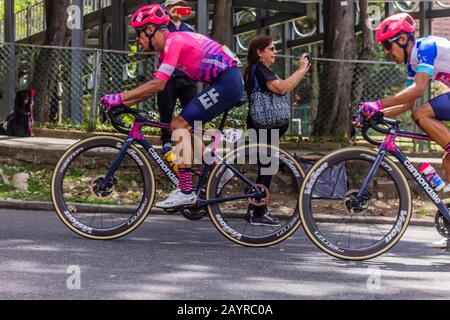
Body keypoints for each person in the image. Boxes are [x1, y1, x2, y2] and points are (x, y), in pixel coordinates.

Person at [100, 4, 243, 208]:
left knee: (178, 125)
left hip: (228, 82)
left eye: (139, 34)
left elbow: (157, 85)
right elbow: (157, 87)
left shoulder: (174, 42)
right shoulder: (164, 51)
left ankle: (185, 191)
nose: (137, 40)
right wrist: (120, 103)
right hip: (224, 81)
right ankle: (218, 169)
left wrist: (118, 98)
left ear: (150, 30)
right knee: (186, 127)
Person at [359, 13, 450, 248]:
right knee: (447, 161)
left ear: (401, 39)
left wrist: (378, 104)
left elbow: (418, 91)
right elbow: (406, 102)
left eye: (387, 46)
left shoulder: (427, 46)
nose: (387, 52)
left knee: (421, 114)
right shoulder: (413, 61)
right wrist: (376, 115)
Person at [244, 35, 311, 226]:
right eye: (271, 49)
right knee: (267, 167)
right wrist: (302, 69)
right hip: (264, 124)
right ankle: (257, 212)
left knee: (267, 167)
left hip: (262, 124)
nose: (275, 53)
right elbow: (282, 88)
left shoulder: (257, 70)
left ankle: (256, 209)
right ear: (259, 52)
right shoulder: (260, 69)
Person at [158, 0, 197, 152]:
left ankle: (191, 142)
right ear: (167, 8)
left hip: (187, 76)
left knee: (193, 110)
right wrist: (168, 18)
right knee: (166, 110)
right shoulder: (163, 28)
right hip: (168, 76)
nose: (179, 8)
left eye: (181, 5)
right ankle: (166, 141)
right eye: (175, 5)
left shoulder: (189, 29)